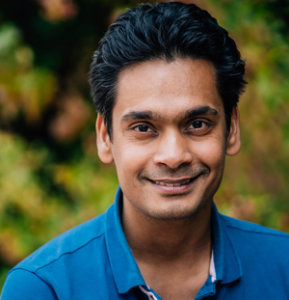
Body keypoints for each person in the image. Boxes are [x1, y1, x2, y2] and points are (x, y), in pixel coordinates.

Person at [1, 2, 289, 299]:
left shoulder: (284, 269)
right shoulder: (44, 288)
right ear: (105, 137)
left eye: (198, 124)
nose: (174, 155)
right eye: (143, 128)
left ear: (231, 129)